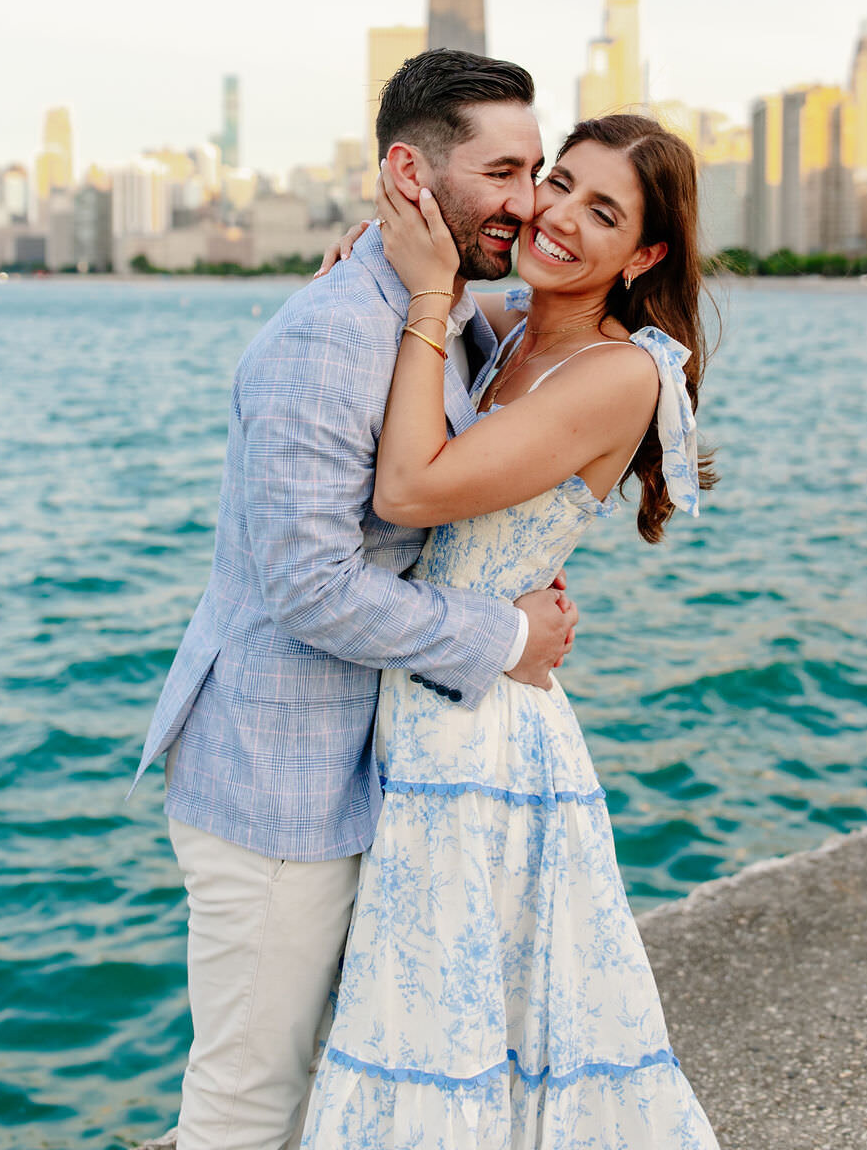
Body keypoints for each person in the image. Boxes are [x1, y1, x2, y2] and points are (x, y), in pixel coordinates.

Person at [130, 50, 580, 1150]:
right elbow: (312, 590)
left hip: (369, 770)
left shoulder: (445, 311)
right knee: (247, 1101)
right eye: (504, 171)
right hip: (276, 789)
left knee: (345, 1085)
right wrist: (508, 633)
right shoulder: (332, 335)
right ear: (409, 172)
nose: (527, 202)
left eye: (538, 169)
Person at [301, 114, 720, 1148]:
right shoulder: (505, 331)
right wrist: (379, 277)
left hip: (480, 736)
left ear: (647, 253)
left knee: (444, 1028)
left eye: (603, 210)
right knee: (426, 1017)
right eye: (557, 182)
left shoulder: (617, 374)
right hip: (425, 695)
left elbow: (409, 489)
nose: (561, 217)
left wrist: (429, 296)